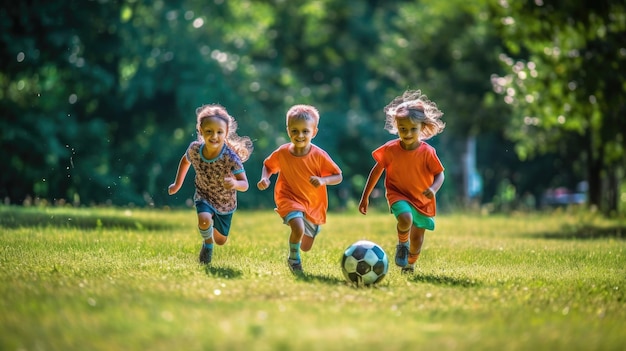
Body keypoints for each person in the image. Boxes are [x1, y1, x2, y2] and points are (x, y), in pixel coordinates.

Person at [359, 90, 446, 274]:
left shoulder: (427, 152)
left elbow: (440, 174)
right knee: (405, 218)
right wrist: (365, 197)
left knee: (418, 239)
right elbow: (376, 171)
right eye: (402, 129)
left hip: (422, 198)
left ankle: (410, 264)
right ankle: (402, 244)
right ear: (396, 126)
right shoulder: (390, 150)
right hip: (397, 193)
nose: (407, 133)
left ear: (422, 128)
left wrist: (433, 188)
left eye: (413, 129)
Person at [257, 104, 343, 272]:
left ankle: (299, 239)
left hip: (312, 203)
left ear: (314, 132)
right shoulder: (282, 152)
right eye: (294, 130)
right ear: (288, 130)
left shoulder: (319, 155)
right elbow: (268, 166)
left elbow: (338, 176)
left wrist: (323, 180)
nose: (300, 135)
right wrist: (264, 178)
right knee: (298, 227)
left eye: (305, 131)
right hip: (288, 197)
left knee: (306, 245)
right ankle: (294, 259)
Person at [169, 104, 253, 264]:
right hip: (204, 194)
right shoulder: (194, 149)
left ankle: (213, 239)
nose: (214, 136)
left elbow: (245, 184)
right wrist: (177, 184)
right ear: (201, 131)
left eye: (219, 132)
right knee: (204, 219)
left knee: (220, 240)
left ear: (226, 132)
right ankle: (207, 244)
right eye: (209, 131)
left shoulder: (230, 158)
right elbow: (185, 161)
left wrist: (235, 183)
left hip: (225, 202)